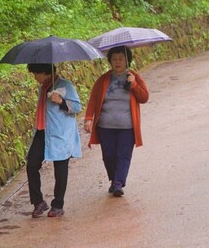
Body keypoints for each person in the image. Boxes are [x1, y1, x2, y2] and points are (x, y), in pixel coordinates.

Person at [83, 46, 150, 197]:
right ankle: (114, 179)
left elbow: (144, 97)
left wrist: (133, 85)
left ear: (127, 60)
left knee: (123, 155)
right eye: (114, 59)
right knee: (108, 156)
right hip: (105, 126)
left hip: (127, 126)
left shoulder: (134, 77)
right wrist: (88, 119)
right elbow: (93, 99)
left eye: (121, 59)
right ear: (110, 61)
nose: (117, 62)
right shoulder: (104, 79)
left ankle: (118, 183)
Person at [25, 63, 82, 218]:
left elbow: (77, 106)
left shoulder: (65, 85)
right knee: (31, 165)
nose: (35, 78)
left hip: (59, 134)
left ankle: (58, 204)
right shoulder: (43, 87)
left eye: (36, 74)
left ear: (44, 72)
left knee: (60, 169)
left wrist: (62, 102)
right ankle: (38, 202)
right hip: (42, 131)